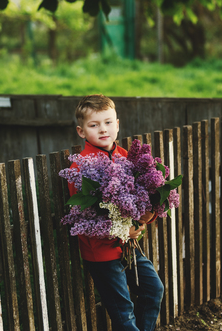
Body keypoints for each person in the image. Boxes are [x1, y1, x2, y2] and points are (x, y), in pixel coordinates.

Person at [68, 94, 164, 331]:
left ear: (118, 124)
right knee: (124, 313)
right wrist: (124, 229)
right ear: (81, 131)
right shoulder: (80, 166)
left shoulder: (127, 157)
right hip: (101, 252)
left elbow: (142, 200)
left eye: (108, 122)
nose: (103, 130)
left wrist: (145, 219)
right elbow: (86, 215)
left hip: (128, 247)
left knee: (153, 291)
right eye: (94, 125)